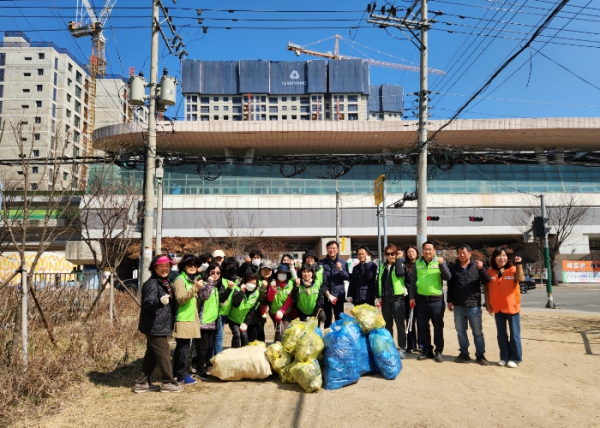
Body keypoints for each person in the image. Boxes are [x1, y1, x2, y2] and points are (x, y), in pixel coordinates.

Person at [135, 254, 183, 393]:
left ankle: (142, 383)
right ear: (154, 267)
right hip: (154, 325)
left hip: (160, 324)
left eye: (167, 266)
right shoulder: (151, 284)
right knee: (164, 354)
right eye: (162, 266)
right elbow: (147, 304)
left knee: (151, 354)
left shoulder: (165, 282)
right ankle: (168, 382)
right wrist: (159, 302)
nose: (165, 269)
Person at [446, 245, 490, 366]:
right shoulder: (453, 268)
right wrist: (449, 300)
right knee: (461, 331)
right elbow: (450, 286)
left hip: (474, 305)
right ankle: (464, 353)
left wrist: (481, 269)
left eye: (464, 252)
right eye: (459, 253)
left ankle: (480, 354)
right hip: (458, 305)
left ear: (470, 253)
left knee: (477, 332)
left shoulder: (477, 266)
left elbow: (487, 281)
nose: (462, 255)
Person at [482, 247, 524, 368]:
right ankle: (504, 357)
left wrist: (519, 264)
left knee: (514, 334)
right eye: (499, 256)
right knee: (501, 335)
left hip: (512, 307)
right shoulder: (490, 272)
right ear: (494, 258)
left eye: (504, 255)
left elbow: (520, 278)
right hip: (498, 307)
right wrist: (488, 305)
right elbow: (487, 290)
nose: (502, 258)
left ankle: (515, 358)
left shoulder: (513, 269)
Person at [411, 241, 451, 363]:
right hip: (421, 300)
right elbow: (413, 282)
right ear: (422, 251)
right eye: (425, 249)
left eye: (430, 249)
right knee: (423, 327)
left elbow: (448, 277)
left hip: (436, 301)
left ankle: (438, 351)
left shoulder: (439, 262)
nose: (427, 251)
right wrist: (412, 297)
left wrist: (442, 265)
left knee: (438, 327)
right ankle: (427, 350)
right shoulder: (418, 263)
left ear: (434, 251)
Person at [375, 244, 414, 358]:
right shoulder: (382, 267)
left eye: (393, 253)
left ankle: (402, 347)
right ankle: (389, 346)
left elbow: (400, 274)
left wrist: (398, 260)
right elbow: (378, 283)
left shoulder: (401, 265)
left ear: (396, 254)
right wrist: (378, 296)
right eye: (388, 254)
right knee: (387, 325)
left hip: (398, 299)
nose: (390, 256)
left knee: (400, 325)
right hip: (386, 300)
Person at [172, 254, 203, 385]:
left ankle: (178, 372)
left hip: (190, 318)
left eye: (195, 265)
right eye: (189, 264)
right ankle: (181, 375)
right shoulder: (180, 280)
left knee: (184, 348)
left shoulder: (191, 280)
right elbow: (180, 298)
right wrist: (196, 288)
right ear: (184, 266)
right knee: (183, 348)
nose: (192, 267)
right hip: (183, 318)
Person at [196, 262, 227, 380]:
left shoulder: (216, 286)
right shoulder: (204, 284)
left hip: (213, 320)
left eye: (218, 273)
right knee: (202, 347)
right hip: (203, 320)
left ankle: (205, 366)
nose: (215, 275)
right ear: (208, 273)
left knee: (209, 346)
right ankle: (199, 370)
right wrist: (209, 282)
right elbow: (204, 296)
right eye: (212, 272)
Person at [320, 241, 350, 327]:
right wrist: (327, 293)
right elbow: (320, 280)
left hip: (338, 296)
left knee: (339, 320)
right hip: (326, 295)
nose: (331, 250)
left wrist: (340, 269)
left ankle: (339, 339)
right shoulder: (321, 263)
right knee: (327, 319)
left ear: (337, 250)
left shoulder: (343, 263)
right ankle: (328, 338)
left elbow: (347, 277)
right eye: (329, 248)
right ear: (326, 249)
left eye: (334, 248)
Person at [228, 272, 261, 347]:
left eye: (254, 283)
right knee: (237, 335)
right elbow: (235, 303)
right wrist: (242, 292)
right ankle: (234, 352)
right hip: (233, 318)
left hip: (243, 320)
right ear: (245, 281)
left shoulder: (256, 293)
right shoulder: (237, 289)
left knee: (245, 337)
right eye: (250, 282)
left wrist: (246, 323)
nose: (252, 284)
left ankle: (244, 354)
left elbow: (251, 310)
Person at [248, 260, 276, 342]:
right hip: (253, 311)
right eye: (264, 269)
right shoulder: (255, 280)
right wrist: (263, 288)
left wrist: (268, 304)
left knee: (260, 332)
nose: (266, 271)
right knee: (252, 333)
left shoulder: (271, 281)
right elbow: (257, 297)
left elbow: (269, 298)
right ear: (260, 270)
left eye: (269, 270)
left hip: (262, 311)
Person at [267, 264, 295, 342]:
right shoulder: (273, 283)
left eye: (284, 273)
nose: (282, 275)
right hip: (274, 312)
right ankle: (277, 347)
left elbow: (290, 300)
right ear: (277, 274)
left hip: (286, 313)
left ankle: (283, 347)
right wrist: (273, 289)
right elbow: (270, 299)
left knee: (286, 330)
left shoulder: (290, 284)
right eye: (280, 273)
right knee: (279, 329)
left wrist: (282, 311)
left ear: (287, 274)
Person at [404, 244, 422, 353]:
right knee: (410, 321)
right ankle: (410, 345)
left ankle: (421, 345)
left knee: (421, 322)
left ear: (417, 253)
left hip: (420, 297)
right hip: (408, 298)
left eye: (413, 251)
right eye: (409, 252)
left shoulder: (421, 264)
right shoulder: (403, 265)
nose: (411, 253)